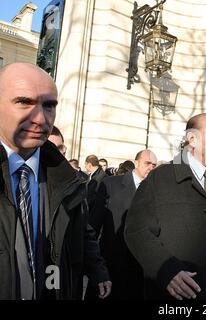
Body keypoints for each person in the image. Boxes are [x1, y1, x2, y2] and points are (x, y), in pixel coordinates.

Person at [0, 62, 111, 299]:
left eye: (49, 105)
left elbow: (81, 233)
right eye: (24, 102)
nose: (40, 118)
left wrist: (98, 270)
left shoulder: (68, 181)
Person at [124, 113, 206, 300]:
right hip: (174, 294)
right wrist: (166, 271)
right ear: (192, 139)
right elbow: (136, 230)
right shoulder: (160, 178)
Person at [86, 150, 157, 299]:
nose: (151, 167)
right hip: (111, 267)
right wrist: (96, 267)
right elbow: (93, 226)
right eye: (147, 163)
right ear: (136, 163)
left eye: (154, 165)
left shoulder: (157, 191)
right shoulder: (111, 184)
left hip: (139, 272)